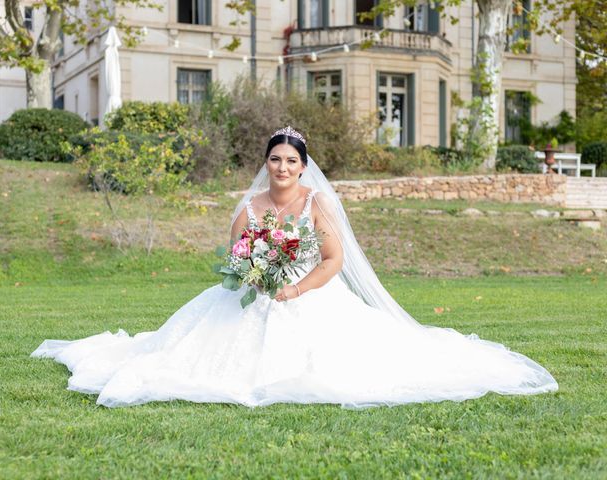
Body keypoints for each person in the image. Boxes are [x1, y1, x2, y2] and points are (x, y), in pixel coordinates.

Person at [31, 126, 558, 408]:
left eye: (291, 160)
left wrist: (295, 289)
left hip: (310, 297)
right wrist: (256, 274)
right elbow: (234, 259)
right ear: (266, 162)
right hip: (251, 297)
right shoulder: (248, 207)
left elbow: (334, 260)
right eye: (275, 158)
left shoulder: (316, 205)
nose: (282, 167)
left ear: (303, 167)